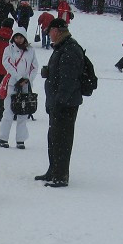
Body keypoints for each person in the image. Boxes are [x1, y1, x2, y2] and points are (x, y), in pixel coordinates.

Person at [35, 18, 84, 187]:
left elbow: (68, 80)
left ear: (56, 30)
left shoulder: (69, 49)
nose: (48, 34)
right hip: (58, 103)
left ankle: (61, 176)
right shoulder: (62, 47)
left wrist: (59, 101)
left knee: (62, 140)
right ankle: (53, 170)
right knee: (54, 138)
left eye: (49, 31)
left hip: (65, 105)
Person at [0, 30, 39, 149]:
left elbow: (35, 66)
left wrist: (28, 79)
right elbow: (7, 64)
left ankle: (20, 139)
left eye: (21, 37)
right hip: (12, 84)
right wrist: (18, 78)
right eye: (17, 37)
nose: (19, 40)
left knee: (23, 113)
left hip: (25, 85)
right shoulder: (8, 49)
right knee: (8, 112)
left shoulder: (31, 50)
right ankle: (3, 138)